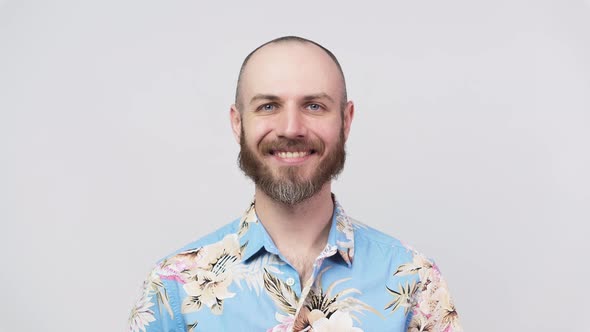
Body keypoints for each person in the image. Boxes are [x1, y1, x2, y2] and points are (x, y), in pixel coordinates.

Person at [128, 36, 462, 332]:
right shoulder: (174, 286)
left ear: (345, 121)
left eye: (314, 106)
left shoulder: (414, 278)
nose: (291, 128)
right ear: (237, 123)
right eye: (268, 106)